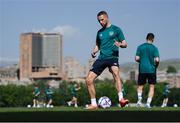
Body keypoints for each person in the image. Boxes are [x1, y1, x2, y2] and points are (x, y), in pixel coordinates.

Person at [85, 11, 129, 110]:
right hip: (101, 58)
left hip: (112, 57)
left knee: (115, 73)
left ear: (107, 18)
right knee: (88, 80)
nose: (100, 22)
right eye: (98, 21)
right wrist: (94, 51)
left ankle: (121, 99)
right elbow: (97, 45)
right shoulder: (99, 32)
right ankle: (94, 104)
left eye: (102, 19)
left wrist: (120, 44)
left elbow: (125, 44)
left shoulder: (117, 29)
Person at [135, 33, 160, 108]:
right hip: (152, 70)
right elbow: (157, 60)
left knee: (140, 86)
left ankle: (139, 101)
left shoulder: (140, 47)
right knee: (151, 86)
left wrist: (142, 61)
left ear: (146, 38)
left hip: (142, 69)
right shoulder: (155, 48)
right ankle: (148, 103)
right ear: (153, 39)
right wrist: (156, 65)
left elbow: (136, 58)